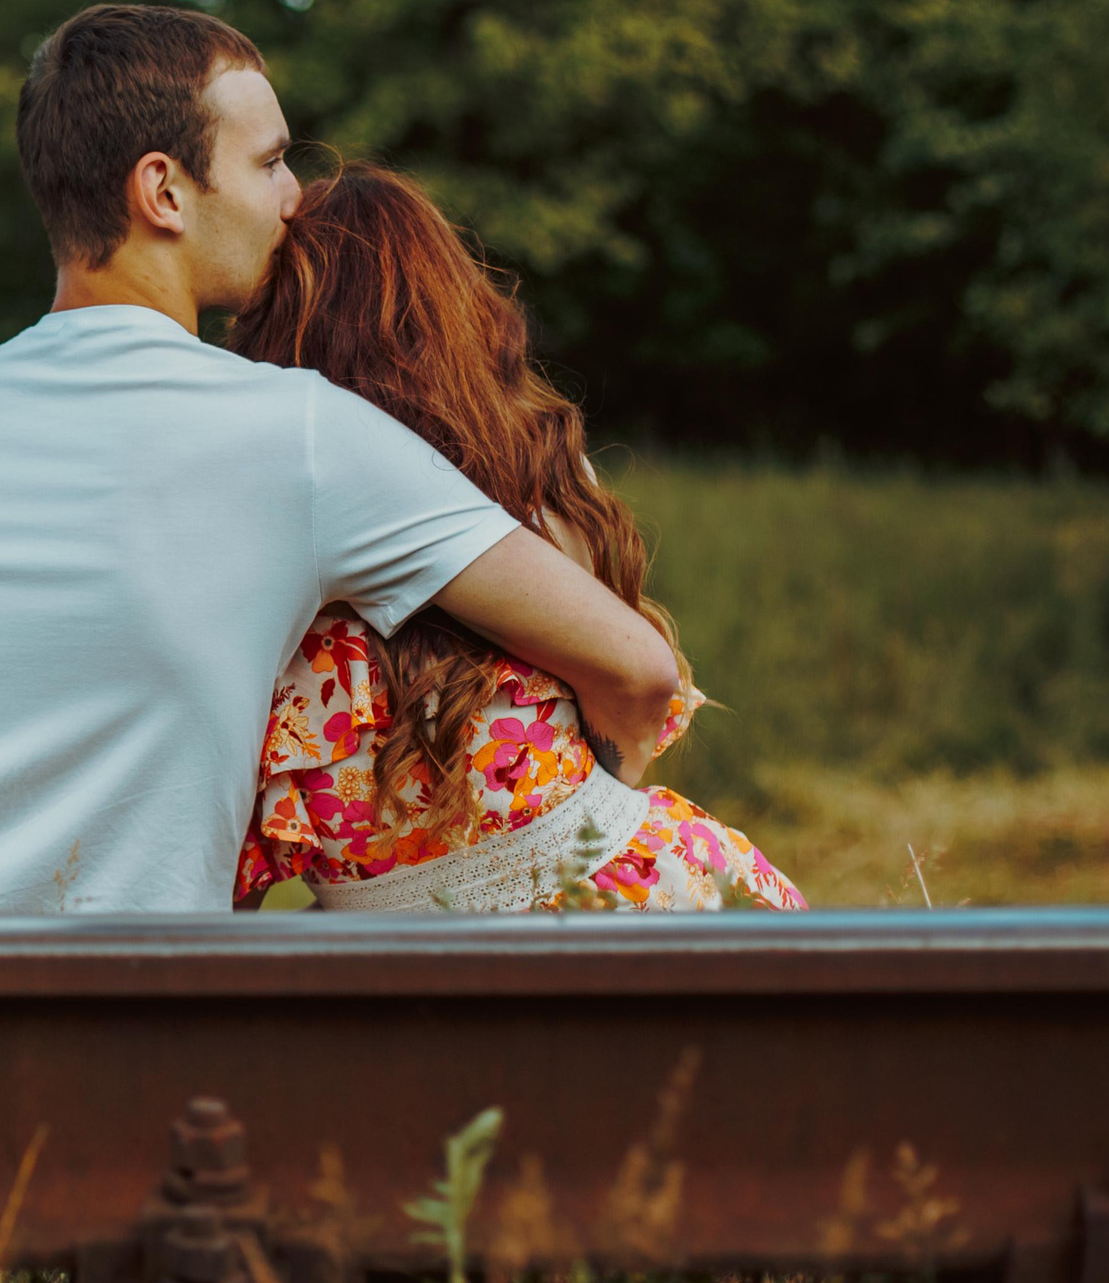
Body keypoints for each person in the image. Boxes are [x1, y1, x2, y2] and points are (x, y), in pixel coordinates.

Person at [0, 5, 679, 915]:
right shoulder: (300, 434)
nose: (294, 196)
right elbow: (637, 669)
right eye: (267, 163)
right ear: (165, 192)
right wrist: (584, 857)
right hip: (98, 1025)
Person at [228, 163, 804, 914]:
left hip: (586, 903)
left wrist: (557, 849)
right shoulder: (539, 481)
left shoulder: (518, 484)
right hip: (645, 892)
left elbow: (639, 674)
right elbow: (633, 689)